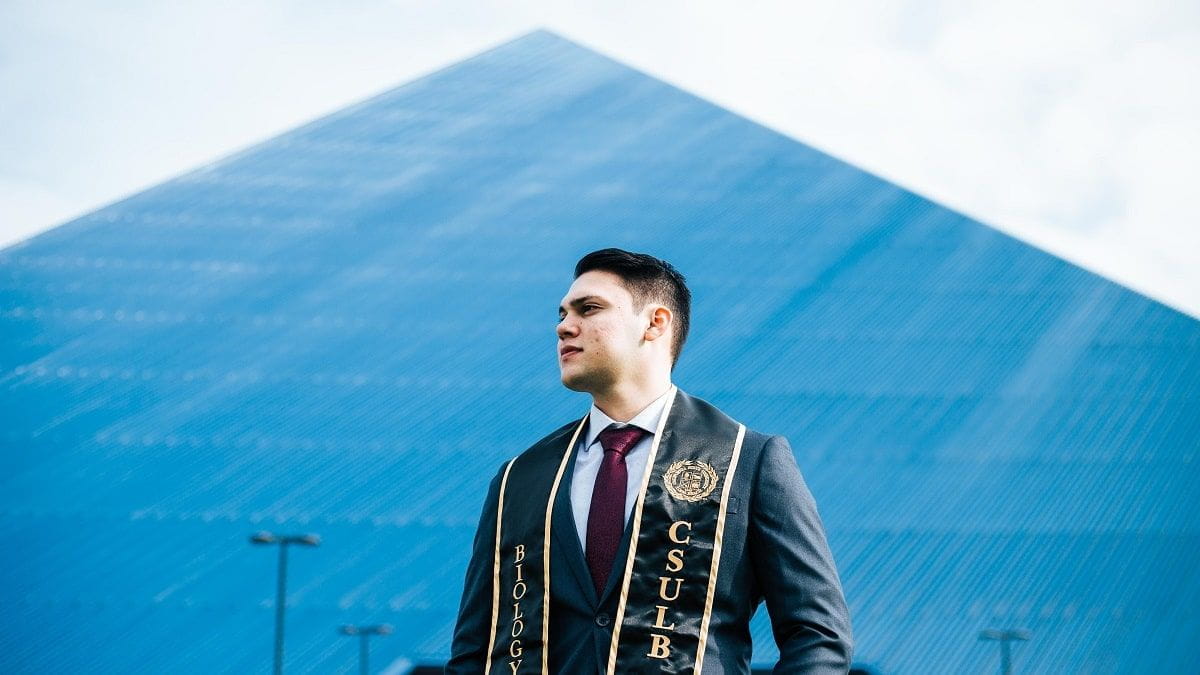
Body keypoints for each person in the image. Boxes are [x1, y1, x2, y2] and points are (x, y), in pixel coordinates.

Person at [447, 248, 853, 674]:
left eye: (589, 309)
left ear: (655, 322)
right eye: (562, 314)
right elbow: (473, 650)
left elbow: (818, 634)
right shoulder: (520, 478)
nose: (564, 326)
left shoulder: (746, 460)